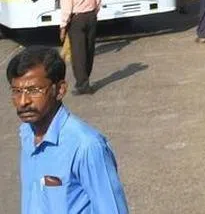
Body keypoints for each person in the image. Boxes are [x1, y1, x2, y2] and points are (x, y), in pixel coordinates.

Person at [9, 46, 129, 213]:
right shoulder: (27, 134)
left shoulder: (86, 146)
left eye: (34, 90)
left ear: (60, 90)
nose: (23, 101)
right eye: (16, 91)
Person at [58, 0, 101, 96]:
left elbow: (66, 8)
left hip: (76, 19)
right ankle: (85, 79)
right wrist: (94, 12)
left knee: (78, 53)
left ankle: (83, 84)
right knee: (89, 49)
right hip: (91, 16)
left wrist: (63, 27)